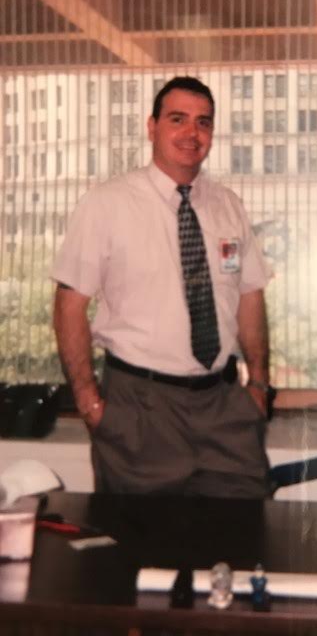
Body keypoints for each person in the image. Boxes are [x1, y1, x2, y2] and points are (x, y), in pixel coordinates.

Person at [52, 76, 271, 498]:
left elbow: (249, 295)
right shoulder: (107, 203)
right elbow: (69, 305)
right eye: (177, 119)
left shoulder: (228, 205)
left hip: (223, 405)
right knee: (140, 537)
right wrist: (88, 401)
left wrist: (259, 385)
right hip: (141, 407)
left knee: (242, 528)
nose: (192, 133)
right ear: (152, 127)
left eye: (203, 122)